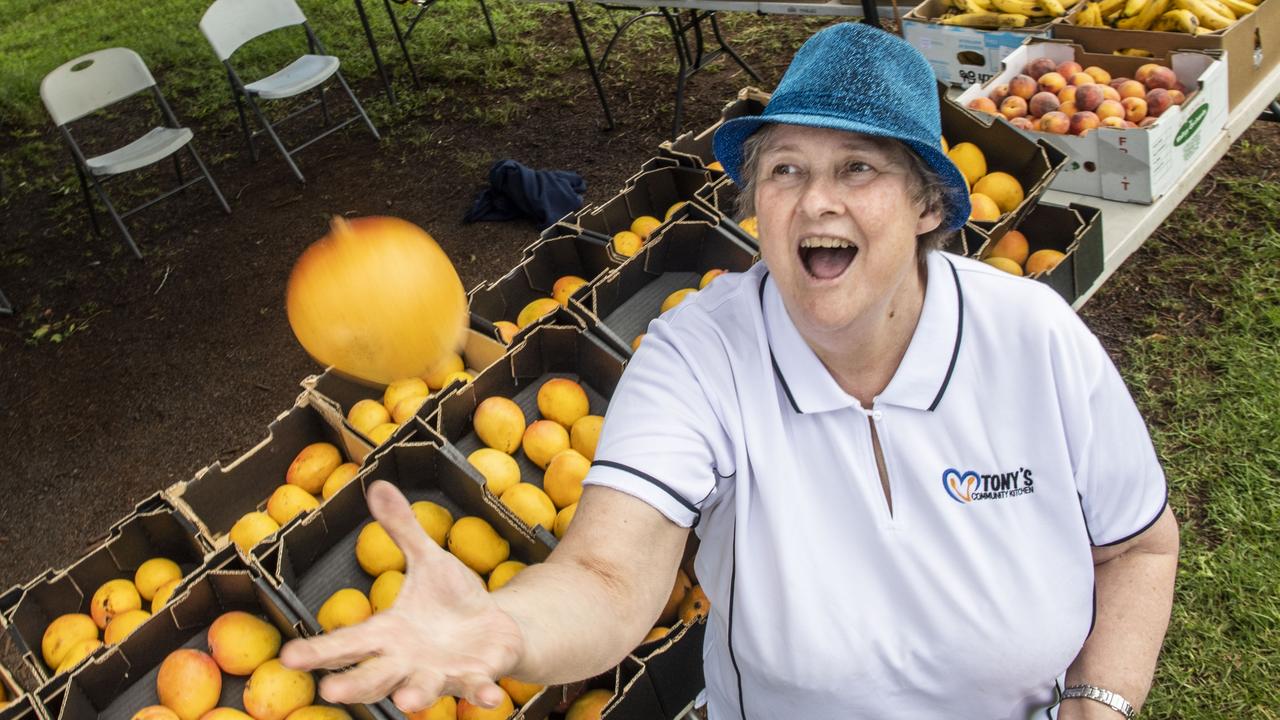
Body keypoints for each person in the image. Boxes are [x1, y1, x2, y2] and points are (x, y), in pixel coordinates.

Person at [281, 23, 1178, 720]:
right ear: (754, 208)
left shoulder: (1033, 339)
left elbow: (1139, 546)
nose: (815, 199)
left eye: (857, 167)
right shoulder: (696, 356)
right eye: (785, 169)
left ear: (928, 204)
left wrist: (1095, 703)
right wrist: (504, 628)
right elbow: (607, 575)